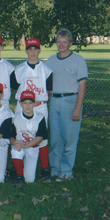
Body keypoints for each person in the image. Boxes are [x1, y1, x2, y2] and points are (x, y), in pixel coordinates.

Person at [46, 28, 88, 182]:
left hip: (70, 101)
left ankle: (66, 171)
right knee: (55, 139)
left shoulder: (78, 60)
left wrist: (78, 108)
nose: (61, 45)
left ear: (70, 43)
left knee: (69, 139)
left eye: (64, 42)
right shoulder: (51, 60)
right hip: (54, 101)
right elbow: (47, 85)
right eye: (59, 41)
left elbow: (82, 86)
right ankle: (55, 169)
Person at [11, 38, 52, 181]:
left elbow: (49, 91)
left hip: (40, 106)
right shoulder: (18, 69)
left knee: (42, 139)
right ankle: (17, 166)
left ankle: (45, 168)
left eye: (35, 49)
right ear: (26, 50)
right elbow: (14, 87)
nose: (33, 52)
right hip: (22, 105)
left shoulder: (47, 70)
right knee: (18, 135)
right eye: (30, 49)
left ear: (39, 50)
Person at [10, 90, 47, 187]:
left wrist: (25, 145)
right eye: (25, 103)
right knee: (16, 151)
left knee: (30, 180)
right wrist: (16, 143)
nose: (28, 106)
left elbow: (40, 137)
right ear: (20, 103)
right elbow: (10, 137)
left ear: (34, 104)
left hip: (32, 147)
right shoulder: (15, 118)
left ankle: (20, 170)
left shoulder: (40, 117)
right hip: (20, 146)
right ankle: (19, 176)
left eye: (30, 103)